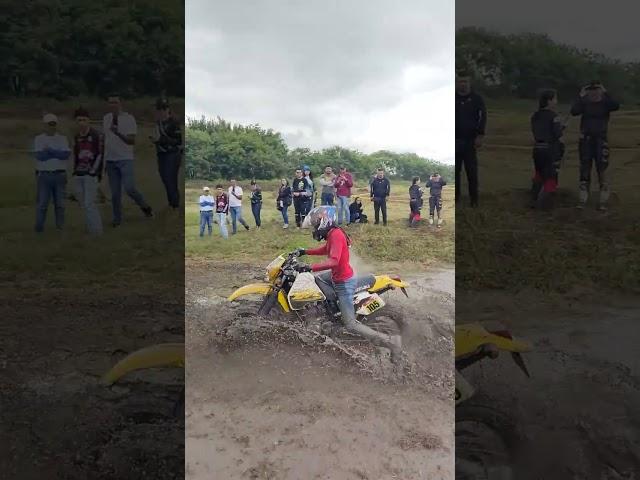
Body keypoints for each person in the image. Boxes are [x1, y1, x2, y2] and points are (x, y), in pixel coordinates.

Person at [296, 206, 402, 362]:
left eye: (315, 224)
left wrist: (309, 266)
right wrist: (305, 252)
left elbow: (334, 261)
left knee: (351, 324)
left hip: (344, 283)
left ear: (325, 221)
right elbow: (326, 249)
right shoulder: (333, 233)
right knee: (316, 279)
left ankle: (391, 342)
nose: (314, 228)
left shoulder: (336, 235)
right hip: (335, 276)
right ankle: (330, 309)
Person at [103, 94, 153, 227]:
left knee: (129, 188)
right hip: (110, 160)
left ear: (120, 104)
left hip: (125, 159)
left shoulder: (129, 119)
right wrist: (105, 159)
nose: (112, 105)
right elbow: (106, 141)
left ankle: (145, 207)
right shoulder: (106, 118)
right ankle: (117, 219)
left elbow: (131, 141)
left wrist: (118, 132)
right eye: (110, 102)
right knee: (115, 193)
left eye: (115, 102)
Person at [570, 81, 620, 210]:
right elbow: (574, 111)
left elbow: (616, 106)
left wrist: (606, 92)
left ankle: (603, 199)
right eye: (591, 90)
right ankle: (583, 198)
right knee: (585, 167)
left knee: (602, 167)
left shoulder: (605, 103)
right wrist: (580, 97)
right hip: (586, 140)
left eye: (596, 89)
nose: (593, 92)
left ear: (600, 90)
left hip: (601, 140)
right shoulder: (585, 102)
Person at [33, 113, 71, 232]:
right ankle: (39, 228)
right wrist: (56, 153)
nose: (51, 126)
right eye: (49, 124)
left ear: (56, 124)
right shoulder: (39, 138)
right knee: (42, 204)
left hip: (60, 174)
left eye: (53, 124)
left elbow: (65, 155)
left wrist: (49, 150)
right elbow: (40, 156)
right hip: (44, 175)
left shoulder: (62, 138)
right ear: (45, 125)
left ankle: (60, 227)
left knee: (60, 204)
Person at [531, 89, 566, 209]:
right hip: (550, 151)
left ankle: (533, 200)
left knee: (539, 175)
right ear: (549, 101)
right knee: (551, 178)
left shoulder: (535, 115)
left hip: (537, 149)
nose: (556, 102)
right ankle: (543, 206)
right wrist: (561, 149)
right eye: (555, 99)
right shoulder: (554, 116)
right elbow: (558, 136)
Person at [455, 73, 486, 207]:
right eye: (460, 81)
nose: (463, 84)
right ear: (457, 83)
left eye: (465, 81)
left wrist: (480, 135)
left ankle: (474, 200)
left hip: (470, 142)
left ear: (470, 83)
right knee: (455, 173)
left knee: (471, 172)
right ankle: (455, 198)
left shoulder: (477, 99)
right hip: (454, 141)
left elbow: (482, 117)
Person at [72, 107, 104, 235]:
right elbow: (76, 154)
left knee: (89, 203)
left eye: (84, 120)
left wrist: (94, 172)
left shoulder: (96, 135)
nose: (81, 123)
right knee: (83, 203)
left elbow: (100, 155)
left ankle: (97, 231)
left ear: (89, 120)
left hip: (91, 173)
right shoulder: (76, 137)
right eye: (79, 120)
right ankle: (90, 227)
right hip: (79, 173)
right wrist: (74, 170)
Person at [151, 98, 182, 211]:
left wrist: (162, 139)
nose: (158, 113)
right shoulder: (157, 123)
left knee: (170, 179)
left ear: (165, 110)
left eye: (160, 110)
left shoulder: (173, 123)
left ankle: (174, 204)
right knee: (164, 178)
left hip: (172, 154)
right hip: (161, 154)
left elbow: (178, 142)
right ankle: (172, 202)